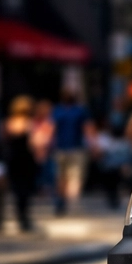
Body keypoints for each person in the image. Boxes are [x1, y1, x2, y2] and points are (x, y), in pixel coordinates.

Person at [51, 88, 91, 216]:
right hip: (74, 149)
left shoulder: (58, 111)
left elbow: (51, 129)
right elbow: (87, 129)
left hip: (62, 148)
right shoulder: (80, 111)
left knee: (61, 177)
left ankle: (62, 201)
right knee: (73, 177)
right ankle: (69, 201)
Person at [2, 96, 38, 232]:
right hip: (26, 159)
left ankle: (20, 216)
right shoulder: (29, 123)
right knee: (26, 190)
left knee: (17, 189)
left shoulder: (8, 122)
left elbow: (4, 140)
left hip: (13, 159)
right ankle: (24, 218)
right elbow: (33, 142)